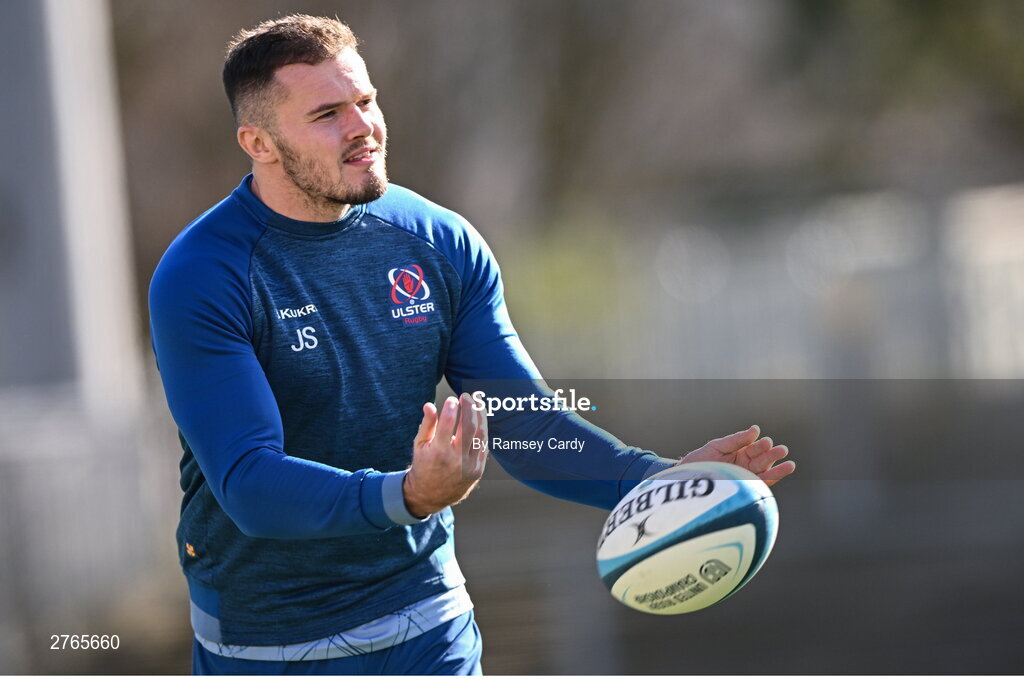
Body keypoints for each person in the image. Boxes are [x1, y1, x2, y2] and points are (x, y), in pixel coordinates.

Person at [148, 14, 795, 676]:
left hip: (429, 629)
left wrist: (655, 479)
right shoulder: (204, 274)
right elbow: (250, 484)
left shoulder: (441, 243)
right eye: (327, 114)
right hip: (265, 648)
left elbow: (524, 423)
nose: (362, 127)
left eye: (366, 101)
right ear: (258, 141)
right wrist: (408, 494)